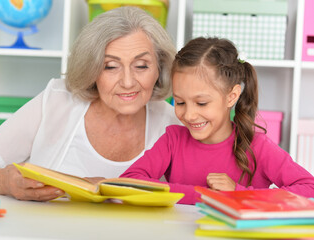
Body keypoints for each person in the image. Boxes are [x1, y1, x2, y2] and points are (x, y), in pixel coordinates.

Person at [0, 7, 180, 201]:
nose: (128, 82)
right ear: (92, 70)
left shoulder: (174, 121)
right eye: (110, 66)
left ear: (159, 68)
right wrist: (3, 181)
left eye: (141, 66)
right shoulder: (57, 101)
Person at [121, 37, 314, 205]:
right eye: (179, 102)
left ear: (231, 97)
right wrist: (203, 195)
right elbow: (129, 181)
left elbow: (309, 188)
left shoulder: (257, 146)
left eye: (201, 103)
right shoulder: (173, 140)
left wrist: (238, 194)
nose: (189, 115)